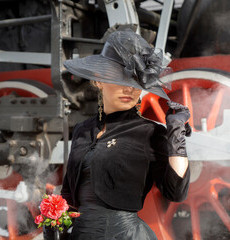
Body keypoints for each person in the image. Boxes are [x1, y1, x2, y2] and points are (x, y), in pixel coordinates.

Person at [59, 29, 191, 240]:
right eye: (120, 80)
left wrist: (175, 131)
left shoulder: (150, 132)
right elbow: (69, 194)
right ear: (98, 81)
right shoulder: (83, 130)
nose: (128, 90)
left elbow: (176, 192)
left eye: (134, 83)